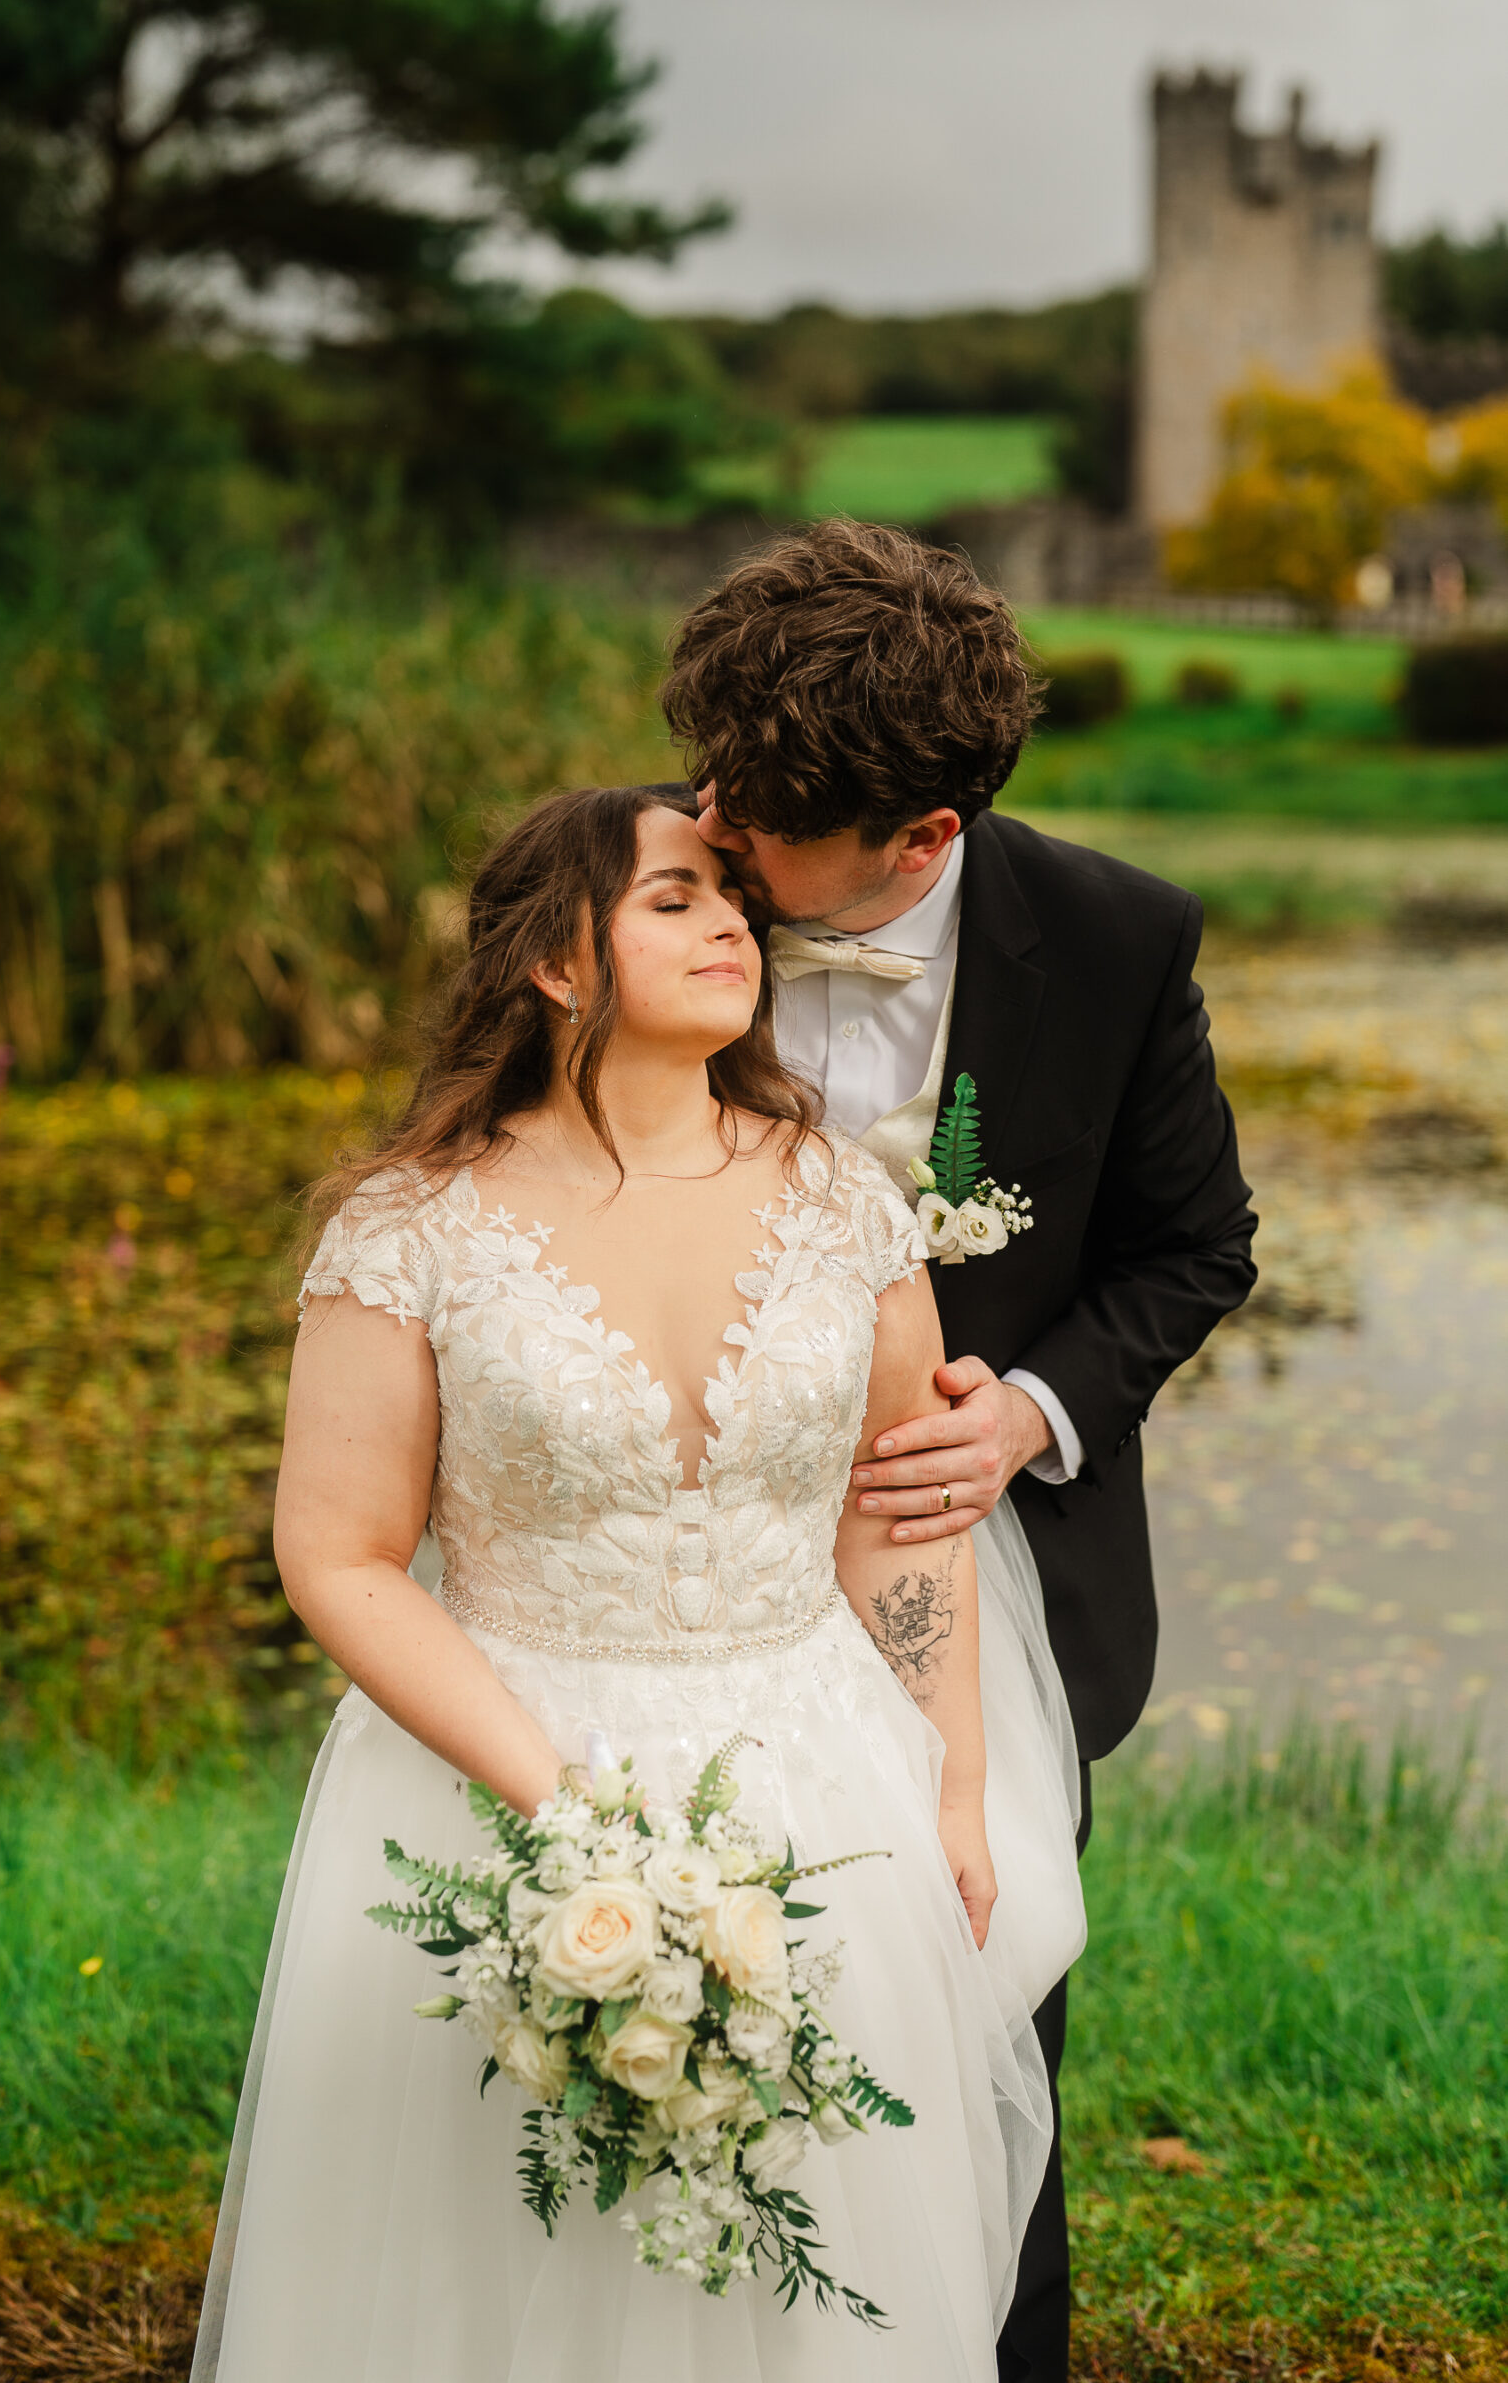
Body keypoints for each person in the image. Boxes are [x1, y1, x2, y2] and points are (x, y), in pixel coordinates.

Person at [191, 786, 1087, 2383]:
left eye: (735, 897)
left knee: (822, 2253)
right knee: (505, 2247)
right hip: (504, 1777)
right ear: (552, 959)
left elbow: (901, 1507)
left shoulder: (843, 1200)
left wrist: (952, 1780)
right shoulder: (412, 1231)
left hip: (822, 1773)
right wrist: (568, 1812)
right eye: (675, 897)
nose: (733, 922)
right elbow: (334, 1554)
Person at [666, 518, 1260, 2383]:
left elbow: (1195, 1248)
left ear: (928, 837)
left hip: (982, 1581)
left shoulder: (1113, 937)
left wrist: (1027, 1412)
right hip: (674, 1569)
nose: (712, 837)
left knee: (975, 2017)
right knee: (658, 1999)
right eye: (708, 780)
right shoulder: (638, 882)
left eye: (762, 825)